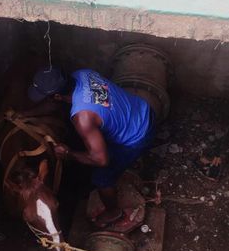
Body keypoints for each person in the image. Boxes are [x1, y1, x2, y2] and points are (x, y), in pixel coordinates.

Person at [25, 67, 154, 229]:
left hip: (137, 136)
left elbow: (101, 159)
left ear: (57, 96)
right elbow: (55, 106)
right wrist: (26, 114)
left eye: (47, 97)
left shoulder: (83, 118)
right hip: (143, 110)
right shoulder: (82, 74)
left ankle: (113, 211)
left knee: (101, 177)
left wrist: (69, 153)